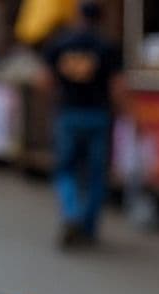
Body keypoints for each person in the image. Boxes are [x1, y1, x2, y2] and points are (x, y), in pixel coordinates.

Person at [40, 1, 124, 247]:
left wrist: (54, 103)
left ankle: (71, 214)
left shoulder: (59, 44)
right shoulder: (107, 47)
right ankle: (87, 227)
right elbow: (117, 86)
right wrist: (129, 115)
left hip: (68, 114)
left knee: (65, 170)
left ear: (78, 16)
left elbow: (43, 81)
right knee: (96, 175)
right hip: (98, 116)